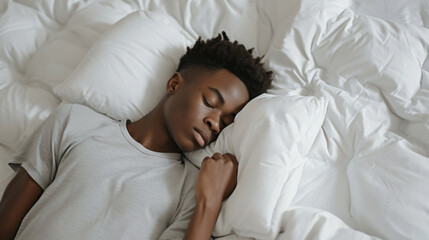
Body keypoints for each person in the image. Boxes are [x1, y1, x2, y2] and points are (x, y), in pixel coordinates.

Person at [0, 31, 272, 240]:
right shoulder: (73, 122)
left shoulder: (193, 186)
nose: (215, 124)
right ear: (174, 84)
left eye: (226, 122)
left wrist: (209, 203)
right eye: (211, 101)